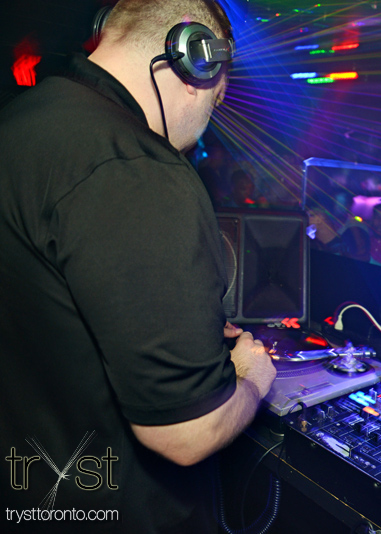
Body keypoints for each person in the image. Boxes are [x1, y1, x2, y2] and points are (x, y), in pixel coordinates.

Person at [0, 1, 276, 533]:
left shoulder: (20, 119)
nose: (205, 126)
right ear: (196, 62)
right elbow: (186, 434)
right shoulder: (139, 171)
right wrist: (252, 378)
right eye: (217, 100)